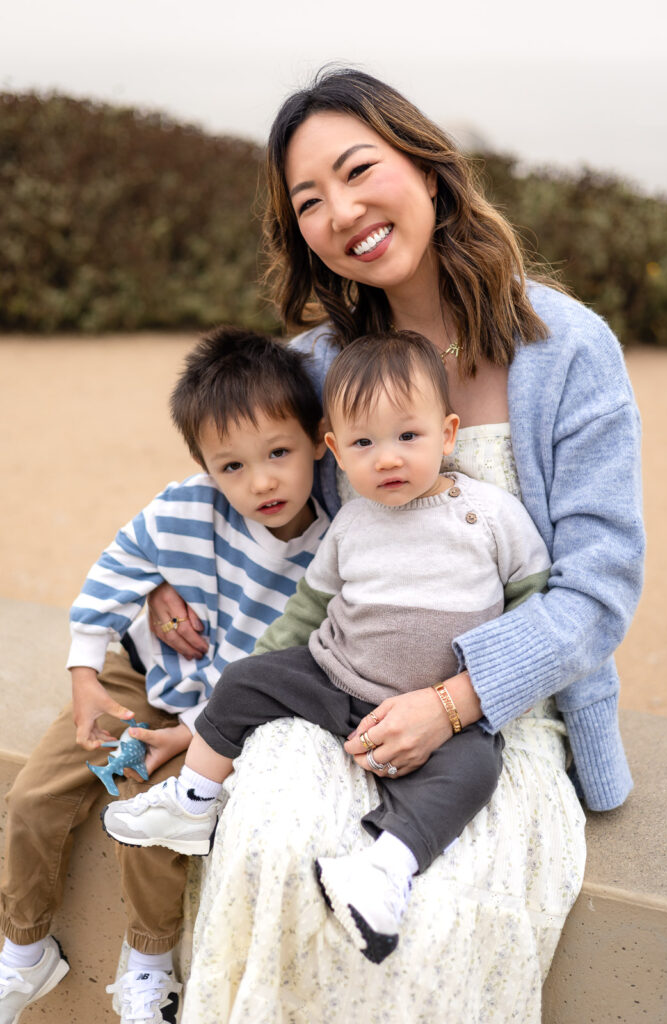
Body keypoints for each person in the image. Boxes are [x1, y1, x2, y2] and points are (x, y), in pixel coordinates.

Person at [148, 68, 645, 1022]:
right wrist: (159, 583)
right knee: (269, 837)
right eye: (308, 202)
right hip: (343, 687)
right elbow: (239, 480)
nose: (341, 211)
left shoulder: (570, 347)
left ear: (425, 167)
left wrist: (455, 702)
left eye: (356, 169)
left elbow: (598, 590)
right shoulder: (318, 366)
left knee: (448, 913)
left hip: (506, 718)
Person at [102, 330, 552, 964]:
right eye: (365, 444)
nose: (388, 458)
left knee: (476, 770)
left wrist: (493, 689)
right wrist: (261, 660)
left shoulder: (489, 513)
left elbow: (533, 604)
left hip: (438, 709)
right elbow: (307, 611)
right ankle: (194, 800)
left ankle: (384, 870)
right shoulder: (353, 523)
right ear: (336, 452)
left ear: (448, 434)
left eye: (408, 437)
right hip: (338, 681)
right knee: (251, 678)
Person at [0, 326, 329, 1024]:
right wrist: (85, 676)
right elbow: (117, 569)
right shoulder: (187, 505)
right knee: (32, 798)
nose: (260, 481)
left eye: (278, 452)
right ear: (205, 465)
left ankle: (149, 969)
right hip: (135, 676)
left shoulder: (328, 554)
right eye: (231, 466)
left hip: (219, 722)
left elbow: (279, 663)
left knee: (149, 826)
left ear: (318, 441)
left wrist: (188, 735)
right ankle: (22, 953)